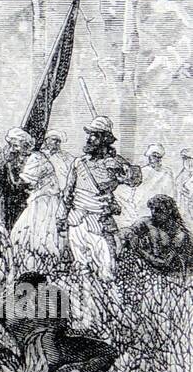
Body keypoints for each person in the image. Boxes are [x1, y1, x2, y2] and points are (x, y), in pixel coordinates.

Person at [0, 272, 116, 372]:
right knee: (108, 351)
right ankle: (81, 370)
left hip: (32, 359)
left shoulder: (5, 305)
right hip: (58, 349)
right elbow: (62, 327)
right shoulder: (52, 299)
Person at [57, 117, 141, 282]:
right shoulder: (78, 162)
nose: (89, 138)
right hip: (77, 219)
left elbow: (135, 179)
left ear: (105, 139)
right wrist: (61, 216)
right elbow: (68, 192)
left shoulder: (114, 163)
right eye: (89, 134)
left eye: (95, 135)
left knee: (106, 269)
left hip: (99, 220)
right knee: (81, 267)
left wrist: (122, 168)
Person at [11, 137, 66, 272]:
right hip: (42, 198)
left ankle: (43, 266)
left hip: (44, 200)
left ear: (25, 146)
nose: (14, 150)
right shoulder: (35, 157)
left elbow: (24, 182)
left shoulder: (36, 159)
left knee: (37, 233)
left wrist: (10, 173)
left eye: (16, 146)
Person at [121, 195, 193, 277]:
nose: (153, 212)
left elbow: (163, 263)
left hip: (170, 277)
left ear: (169, 211)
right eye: (152, 208)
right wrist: (130, 234)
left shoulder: (180, 235)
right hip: (146, 272)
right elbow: (125, 231)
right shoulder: (146, 222)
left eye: (158, 210)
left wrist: (139, 249)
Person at [116, 143, 176, 229]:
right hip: (142, 204)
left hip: (160, 205)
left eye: (157, 157)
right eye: (152, 156)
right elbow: (135, 187)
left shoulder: (167, 172)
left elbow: (171, 191)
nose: (154, 159)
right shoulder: (143, 170)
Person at [177, 148, 193, 227]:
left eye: (190, 159)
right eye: (185, 159)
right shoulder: (182, 174)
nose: (188, 162)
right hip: (183, 207)